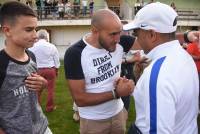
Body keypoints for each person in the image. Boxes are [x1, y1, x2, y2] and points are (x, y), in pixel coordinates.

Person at [123, 2, 199, 133]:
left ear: (152, 35)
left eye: (136, 32)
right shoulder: (184, 56)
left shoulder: (157, 75)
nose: (137, 39)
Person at [64, 9, 134, 134]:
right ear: (95, 31)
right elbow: (80, 99)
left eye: (119, 32)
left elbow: (153, 42)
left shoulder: (120, 42)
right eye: (112, 34)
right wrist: (116, 93)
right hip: (92, 121)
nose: (118, 39)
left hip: (118, 113)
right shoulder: (75, 53)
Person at [0, 1, 52, 134]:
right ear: (7, 30)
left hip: (42, 127)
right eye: (29, 30)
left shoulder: (32, 56)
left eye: (35, 29)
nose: (35, 35)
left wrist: (43, 84)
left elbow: (31, 94)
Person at [29, 29, 60, 112]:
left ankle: (37, 108)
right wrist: (57, 70)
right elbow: (56, 60)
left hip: (37, 70)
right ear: (46, 36)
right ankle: (49, 107)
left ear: (37, 37)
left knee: (37, 90)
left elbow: (30, 59)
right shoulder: (52, 46)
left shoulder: (32, 46)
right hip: (50, 70)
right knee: (50, 89)